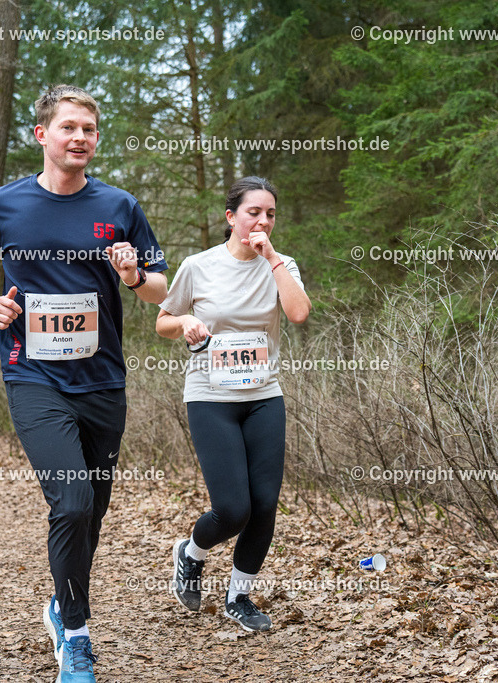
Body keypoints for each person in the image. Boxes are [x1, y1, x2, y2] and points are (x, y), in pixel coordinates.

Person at [0, 84, 168, 682]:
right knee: (71, 500)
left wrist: (133, 276)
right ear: (42, 135)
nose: (81, 138)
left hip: (102, 381)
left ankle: (61, 602)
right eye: (70, 127)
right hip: (33, 374)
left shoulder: (120, 206)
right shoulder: (4, 204)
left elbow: (160, 287)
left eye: (90, 130)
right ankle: (75, 634)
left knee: (91, 512)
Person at [156, 176, 311, 632]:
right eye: (252, 213)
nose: (262, 221)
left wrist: (273, 261)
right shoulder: (198, 266)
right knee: (233, 508)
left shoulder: (282, 264)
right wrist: (185, 321)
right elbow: (163, 321)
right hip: (211, 397)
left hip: (264, 395)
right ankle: (191, 552)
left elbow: (299, 314)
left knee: (264, 505)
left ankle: (238, 598)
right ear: (231, 218)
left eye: (270, 214)